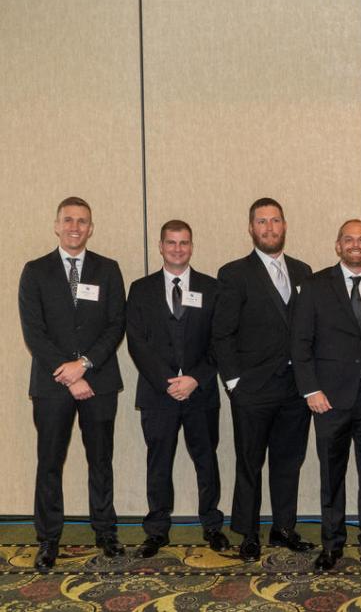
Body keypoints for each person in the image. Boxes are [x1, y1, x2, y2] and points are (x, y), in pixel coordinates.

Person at [19, 196, 126, 570]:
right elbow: (34, 332)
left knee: (101, 460)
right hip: (52, 386)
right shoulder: (35, 271)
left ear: (91, 227)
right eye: (68, 220)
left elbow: (116, 324)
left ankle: (106, 534)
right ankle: (48, 539)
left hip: (99, 380)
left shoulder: (108, 269)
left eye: (82, 221)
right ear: (56, 225)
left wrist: (84, 365)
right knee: (50, 461)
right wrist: (67, 374)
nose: (75, 227)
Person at [292, 219, 361, 571]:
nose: (356, 245)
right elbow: (300, 342)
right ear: (338, 246)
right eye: (349, 239)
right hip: (328, 399)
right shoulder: (315, 285)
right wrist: (311, 389)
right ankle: (332, 544)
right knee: (331, 476)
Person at [212, 197, 314, 562]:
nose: (269, 228)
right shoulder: (234, 273)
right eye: (262, 222)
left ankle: (283, 528)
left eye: (275, 221)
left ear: (285, 226)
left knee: (289, 461)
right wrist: (234, 383)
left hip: (294, 389)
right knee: (249, 463)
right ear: (251, 228)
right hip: (252, 389)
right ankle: (249, 533)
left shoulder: (304, 272)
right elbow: (221, 334)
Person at [126, 220, 229, 557]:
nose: (177, 249)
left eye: (184, 242)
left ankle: (212, 526)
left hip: (200, 394)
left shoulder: (212, 288)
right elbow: (137, 343)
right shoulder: (140, 289)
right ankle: (156, 530)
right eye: (171, 243)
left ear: (191, 246)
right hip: (159, 394)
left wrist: (194, 379)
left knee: (206, 460)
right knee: (159, 462)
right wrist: (168, 383)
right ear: (160, 246)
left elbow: (220, 343)